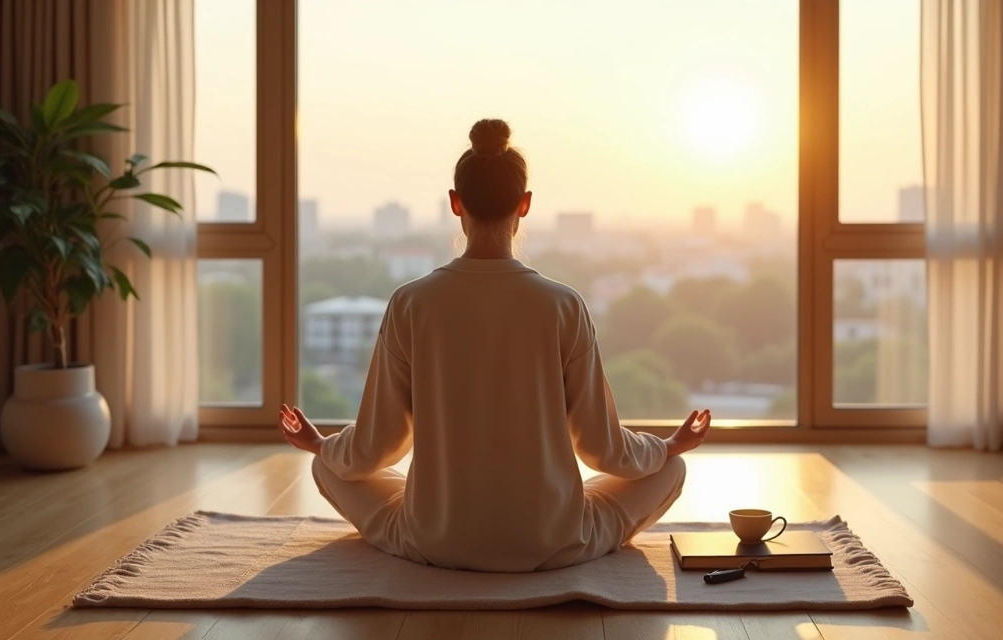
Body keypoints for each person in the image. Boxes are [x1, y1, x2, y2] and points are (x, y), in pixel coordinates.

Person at [279, 118, 711, 573]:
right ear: (524, 205)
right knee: (670, 470)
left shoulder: (411, 302)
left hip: (435, 539)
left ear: (454, 203)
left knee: (329, 466)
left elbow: (377, 446)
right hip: (554, 540)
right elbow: (602, 450)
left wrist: (320, 445)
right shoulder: (564, 305)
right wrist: (666, 447)